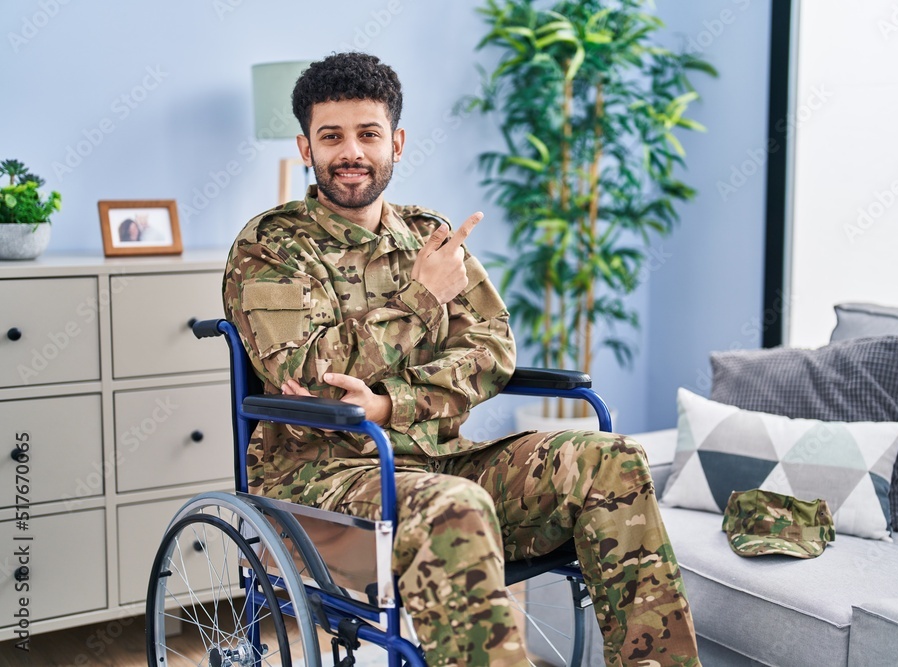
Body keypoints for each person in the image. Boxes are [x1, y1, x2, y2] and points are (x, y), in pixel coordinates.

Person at [223, 52, 699, 667]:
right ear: (304, 147)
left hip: (442, 459)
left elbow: (492, 351)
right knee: (454, 504)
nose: (351, 152)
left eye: (368, 134)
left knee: (612, 459)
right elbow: (311, 376)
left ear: (395, 141)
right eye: (331, 136)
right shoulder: (270, 247)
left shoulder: (432, 235)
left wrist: (394, 402)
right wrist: (422, 298)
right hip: (322, 483)